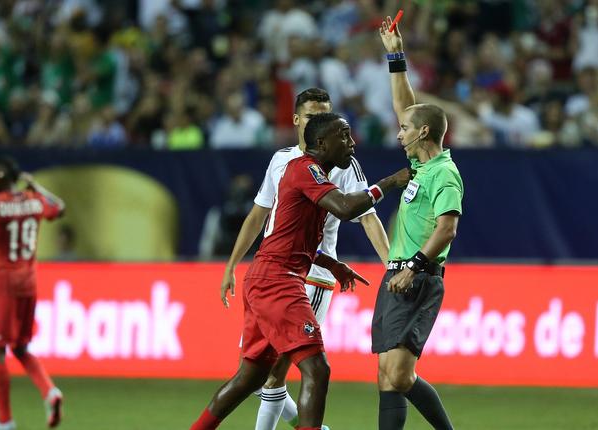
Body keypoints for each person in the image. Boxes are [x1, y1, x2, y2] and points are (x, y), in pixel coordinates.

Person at [190, 113, 410, 430]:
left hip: (267, 275)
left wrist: (331, 263)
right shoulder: (306, 169)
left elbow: (287, 237)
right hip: (279, 282)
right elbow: (347, 208)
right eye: (344, 136)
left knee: (249, 378)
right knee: (317, 369)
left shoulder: (308, 174)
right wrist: (389, 183)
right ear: (321, 143)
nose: (352, 143)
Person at [373, 16, 464, 430]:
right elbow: (404, 105)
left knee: (398, 375)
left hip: (418, 276)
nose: (398, 132)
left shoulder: (444, 173)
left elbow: (447, 229)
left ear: (423, 132)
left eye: (405, 129)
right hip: (399, 275)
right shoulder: (419, 165)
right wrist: (395, 55)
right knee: (388, 378)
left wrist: (414, 267)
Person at [0, 158, 66, 430]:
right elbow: (60, 208)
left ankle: (4, 421)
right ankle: (50, 391)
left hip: (2, 286)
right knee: (20, 347)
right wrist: (37, 186)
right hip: (28, 284)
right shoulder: (34, 200)